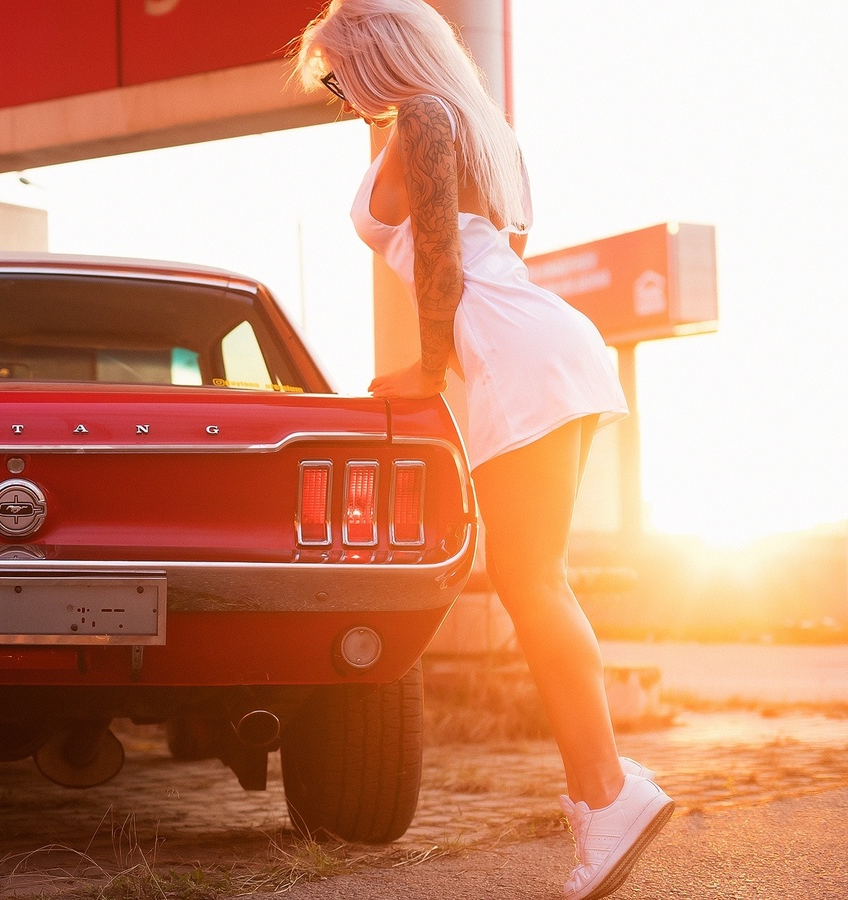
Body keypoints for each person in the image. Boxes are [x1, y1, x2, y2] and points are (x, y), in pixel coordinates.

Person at [295, 2, 673, 898]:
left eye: (334, 72)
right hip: (540, 341)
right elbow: (498, 253)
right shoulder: (482, 128)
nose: (334, 90)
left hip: (515, 352)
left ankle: (608, 796)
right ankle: (607, 795)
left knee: (530, 580)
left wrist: (431, 367)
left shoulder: (425, 119)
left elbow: (441, 253)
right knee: (539, 578)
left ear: (375, 55)